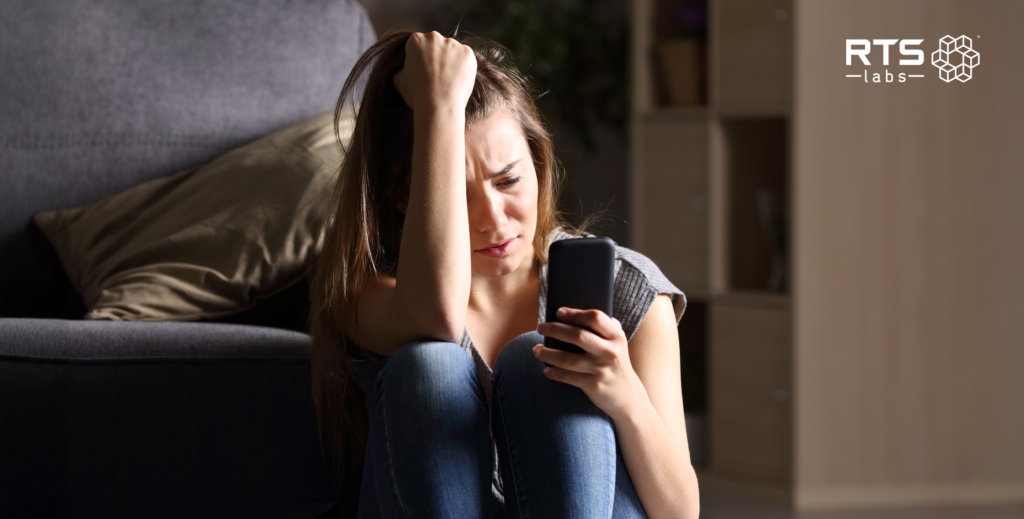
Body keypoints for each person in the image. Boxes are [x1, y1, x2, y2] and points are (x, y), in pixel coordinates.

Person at [309, 30, 700, 518]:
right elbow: (434, 317)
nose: (493, 220)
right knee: (428, 364)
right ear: (404, 196)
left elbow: (681, 512)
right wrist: (439, 108)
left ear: (538, 162)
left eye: (509, 180)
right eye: (457, 192)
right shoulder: (368, 292)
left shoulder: (625, 288)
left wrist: (623, 395)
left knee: (537, 361)